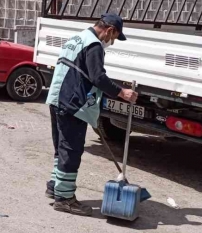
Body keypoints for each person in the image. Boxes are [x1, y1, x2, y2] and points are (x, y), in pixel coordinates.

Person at [45, 13, 138, 216]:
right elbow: (98, 77)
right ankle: (65, 199)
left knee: (61, 146)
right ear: (110, 30)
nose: (111, 42)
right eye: (113, 38)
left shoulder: (76, 38)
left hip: (56, 97)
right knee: (71, 150)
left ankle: (55, 186)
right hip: (71, 103)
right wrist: (122, 92)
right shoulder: (94, 45)